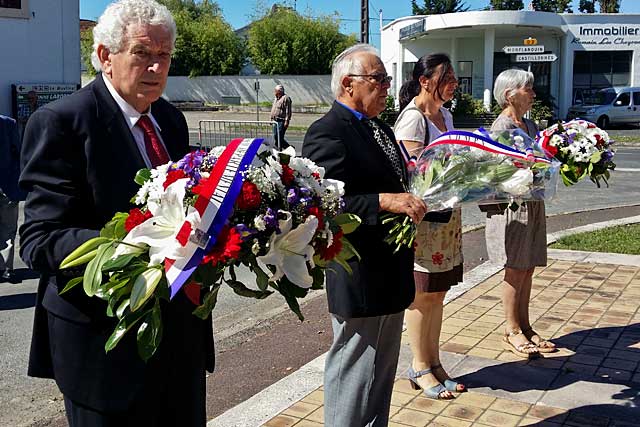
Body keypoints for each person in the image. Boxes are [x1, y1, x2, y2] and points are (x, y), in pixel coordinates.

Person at [19, 1, 214, 425]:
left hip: (178, 338)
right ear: (106, 56)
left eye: (164, 56)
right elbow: (39, 240)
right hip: (102, 346)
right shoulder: (62, 122)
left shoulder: (169, 119)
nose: (156, 67)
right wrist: (136, 245)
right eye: (142, 53)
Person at [303, 44, 427, 427]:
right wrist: (384, 201)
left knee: (380, 377)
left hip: (390, 272)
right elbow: (324, 203)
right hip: (359, 275)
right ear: (348, 84)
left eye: (388, 79)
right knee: (353, 376)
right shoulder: (327, 131)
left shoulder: (379, 127)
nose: (388, 86)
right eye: (378, 79)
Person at [394, 53, 465, 400]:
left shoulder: (446, 114)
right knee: (421, 295)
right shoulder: (412, 119)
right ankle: (419, 366)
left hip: (446, 218)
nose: (454, 82)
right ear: (425, 81)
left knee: (439, 292)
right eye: (447, 77)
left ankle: (435, 362)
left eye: (453, 76)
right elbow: (418, 175)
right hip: (425, 221)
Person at [484, 68, 556, 358]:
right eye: (528, 89)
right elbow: (493, 172)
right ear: (509, 94)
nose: (533, 94)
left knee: (528, 266)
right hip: (511, 206)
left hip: (533, 201)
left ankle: (526, 326)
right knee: (515, 267)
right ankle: (512, 329)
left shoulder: (530, 125)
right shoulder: (500, 129)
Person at [0, 114, 25, 283]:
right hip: (7, 183)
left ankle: (5, 267)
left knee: (8, 228)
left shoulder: (9, 123)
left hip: (7, 184)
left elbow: (18, 153)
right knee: (8, 228)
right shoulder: (9, 123)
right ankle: (6, 269)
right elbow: (18, 152)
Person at [270, 84, 292, 149]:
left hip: (281, 121)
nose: (274, 92)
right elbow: (273, 109)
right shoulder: (276, 98)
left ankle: (288, 149)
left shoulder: (286, 98)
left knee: (279, 137)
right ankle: (280, 150)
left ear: (280, 91)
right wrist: (271, 119)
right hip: (275, 121)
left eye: (275, 91)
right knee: (276, 136)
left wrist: (286, 121)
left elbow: (288, 110)